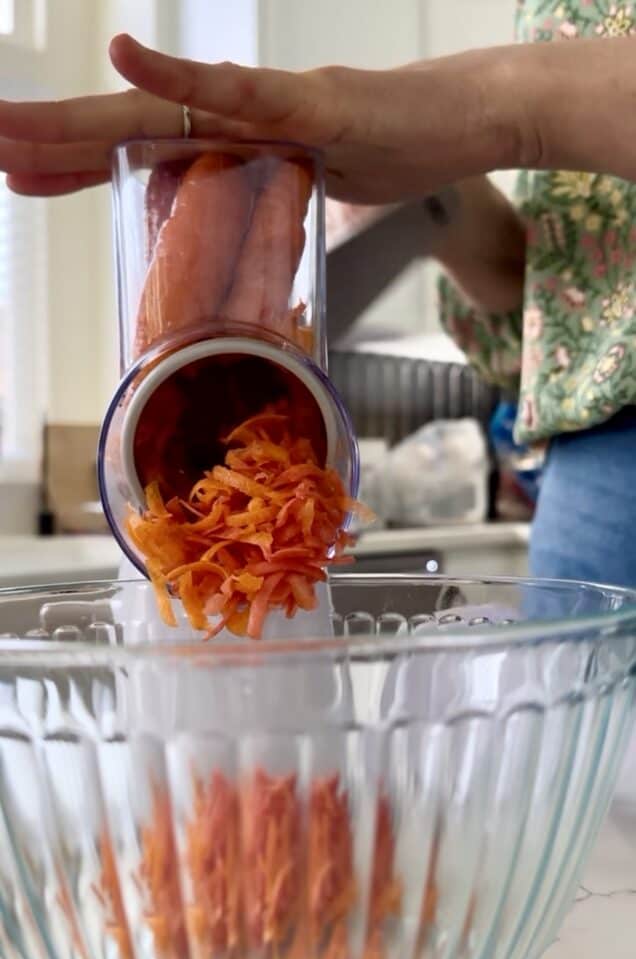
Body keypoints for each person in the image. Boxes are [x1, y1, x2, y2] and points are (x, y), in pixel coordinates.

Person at [1, 15, 635, 584]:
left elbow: (520, 122)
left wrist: (493, 107)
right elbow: (555, 286)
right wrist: (440, 186)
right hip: (583, 467)